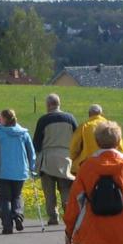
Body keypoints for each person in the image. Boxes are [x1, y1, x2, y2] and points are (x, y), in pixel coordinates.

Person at [0, 109, 36, 235]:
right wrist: (32, 166)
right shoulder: (24, 133)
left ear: (5, 120)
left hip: (2, 171)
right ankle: (18, 216)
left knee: (5, 198)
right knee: (17, 195)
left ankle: (7, 226)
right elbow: (31, 152)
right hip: (20, 170)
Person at [33, 93, 78, 226]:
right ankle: (69, 212)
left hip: (47, 158)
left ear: (48, 105)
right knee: (65, 188)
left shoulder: (43, 120)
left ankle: (53, 217)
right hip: (65, 158)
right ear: (59, 103)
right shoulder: (70, 118)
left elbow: (36, 142)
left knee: (49, 190)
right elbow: (76, 137)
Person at [69, 104, 120, 174]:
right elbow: (120, 147)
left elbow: (74, 146)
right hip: (110, 164)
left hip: (87, 166)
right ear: (101, 114)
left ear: (89, 114)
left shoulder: (84, 126)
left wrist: (72, 158)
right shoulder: (111, 126)